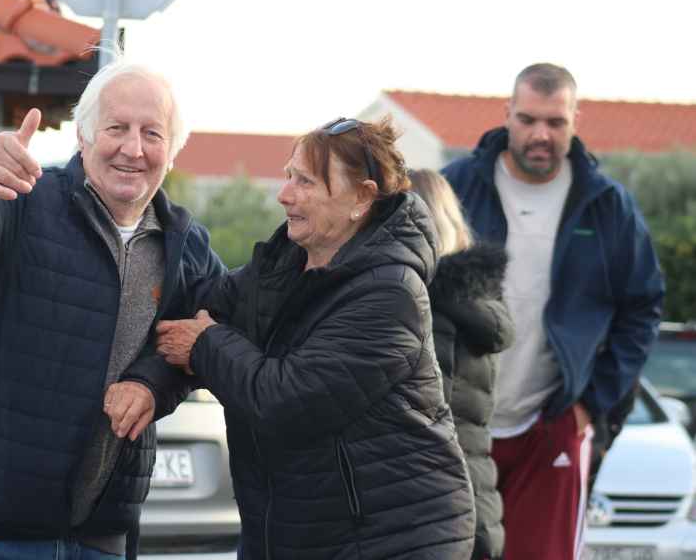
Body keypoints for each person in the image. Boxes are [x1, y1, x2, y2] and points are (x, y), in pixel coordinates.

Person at [0, 58, 225, 559]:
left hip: (100, 537)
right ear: (83, 136)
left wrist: (150, 383)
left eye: (152, 133)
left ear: (172, 152)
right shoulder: (20, 201)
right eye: (117, 128)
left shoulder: (186, 245)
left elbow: (206, 338)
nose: (133, 148)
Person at [151, 117, 476, 559]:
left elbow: (287, 400)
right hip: (306, 534)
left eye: (304, 181)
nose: (284, 194)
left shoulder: (390, 293)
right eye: (288, 176)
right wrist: (146, 381)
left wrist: (205, 344)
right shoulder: (282, 267)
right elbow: (196, 311)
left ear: (362, 197)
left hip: (391, 540)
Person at [442, 63, 664, 560]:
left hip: (549, 426)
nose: (540, 134)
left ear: (575, 120)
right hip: (458, 424)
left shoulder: (607, 206)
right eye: (528, 119)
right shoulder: (457, 187)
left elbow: (643, 307)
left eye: (555, 122)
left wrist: (590, 403)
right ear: (507, 115)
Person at [411, 169, 514, 560]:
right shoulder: (476, 303)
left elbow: (425, 421)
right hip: (473, 499)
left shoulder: (431, 311)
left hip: (437, 513)